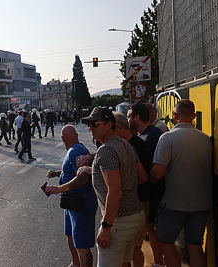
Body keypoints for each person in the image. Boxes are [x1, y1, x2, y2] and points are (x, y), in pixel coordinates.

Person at [49, 107, 146, 266]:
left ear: (109, 124)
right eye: (89, 124)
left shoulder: (106, 151)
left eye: (95, 124)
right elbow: (142, 177)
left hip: (118, 221)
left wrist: (106, 226)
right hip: (135, 216)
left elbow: (115, 192)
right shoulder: (126, 144)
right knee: (124, 263)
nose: (90, 128)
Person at [150, 100, 212, 267]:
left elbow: (157, 173)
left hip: (173, 203)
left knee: (167, 243)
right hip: (201, 203)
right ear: (193, 116)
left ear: (175, 116)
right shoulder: (206, 139)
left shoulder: (167, 138)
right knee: (195, 246)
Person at [46, 125, 97, 267]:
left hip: (80, 205)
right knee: (71, 237)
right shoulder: (74, 150)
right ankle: (75, 264)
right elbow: (71, 171)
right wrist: (56, 173)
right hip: (71, 204)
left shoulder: (76, 151)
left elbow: (83, 177)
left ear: (63, 138)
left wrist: (60, 188)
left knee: (81, 244)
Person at [113, 112, 154, 267]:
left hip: (140, 202)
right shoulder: (127, 144)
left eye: (111, 129)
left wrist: (121, 185)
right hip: (135, 202)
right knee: (131, 248)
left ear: (120, 128)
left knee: (133, 248)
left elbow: (144, 178)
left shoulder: (136, 146)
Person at [127, 103, 165, 266]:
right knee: (151, 230)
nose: (128, 120)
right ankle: (158, 262)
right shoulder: (145, 135)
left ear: (136, 117)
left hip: (155, 196)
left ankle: (159, 262)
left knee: (154, 231)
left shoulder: (153, 136)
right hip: (151, 195)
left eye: (129, 116)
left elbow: (157, 169)